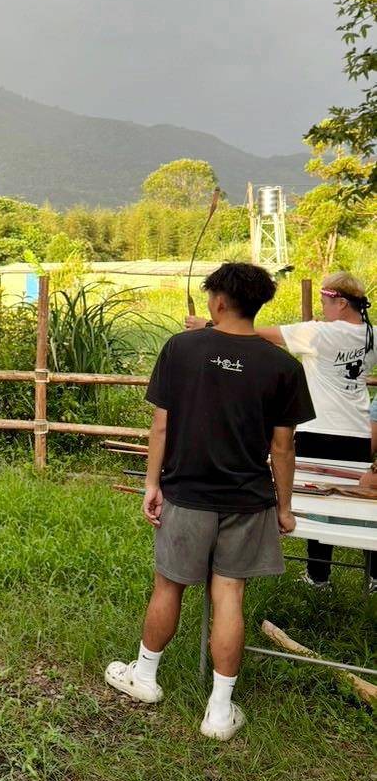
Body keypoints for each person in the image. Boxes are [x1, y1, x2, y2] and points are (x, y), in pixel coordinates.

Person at [106, 262, 313, 741]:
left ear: (218, 302)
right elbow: (283, 449)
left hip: (187, 494)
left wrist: (152, 484)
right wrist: (283, 507)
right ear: (257, 304)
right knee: (230, 595)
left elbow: (161, 425)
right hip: (249, 500)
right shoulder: (283, 366)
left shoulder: (181, 348)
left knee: (169, 586)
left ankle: (145, 676)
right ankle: (219, 711)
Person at [188, 270, 375, 587]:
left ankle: (318, 576)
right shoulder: (372, 334)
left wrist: (208, 326)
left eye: (326, 300)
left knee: (316, 501)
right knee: (366, 503)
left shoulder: (318, 334)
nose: (322, 306)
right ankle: (373, 576)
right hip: (357, 430)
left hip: (318, 428)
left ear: (342, 302)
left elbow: (257, 333)